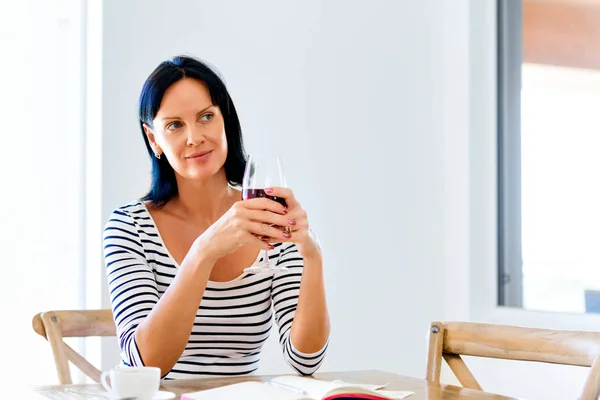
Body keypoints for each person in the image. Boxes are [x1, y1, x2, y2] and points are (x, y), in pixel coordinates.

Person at [103, 55, 330, 379]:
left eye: (206, 116)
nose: (194, 137)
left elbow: (305, 361)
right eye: (175, 125)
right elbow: (145, 365)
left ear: (226, 121)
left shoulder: (268, 217)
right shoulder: (129, 228)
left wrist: (312, 253)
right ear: (154, 139)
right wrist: (204, 250)